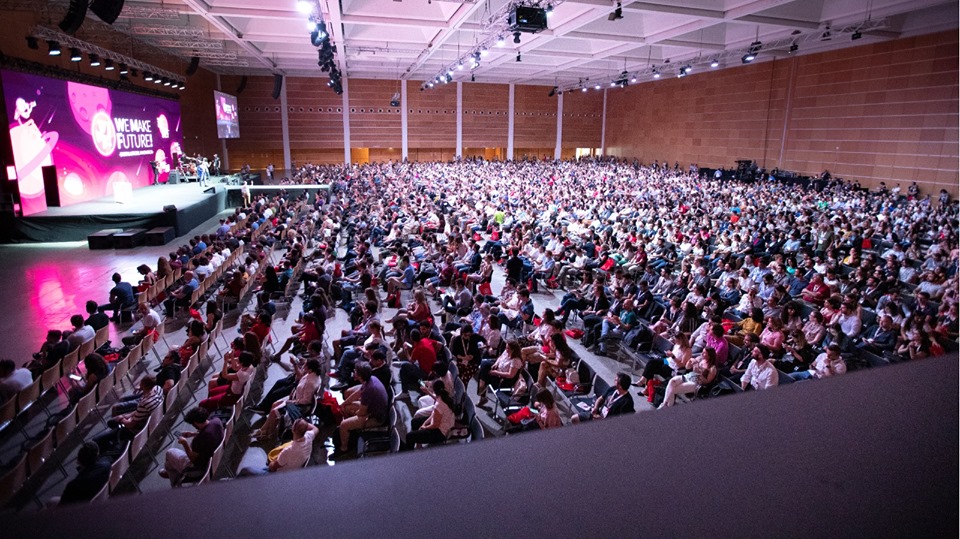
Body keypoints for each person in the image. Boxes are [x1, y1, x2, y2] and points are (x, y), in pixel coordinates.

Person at [92, 376, 163, 455]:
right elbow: (140, 412)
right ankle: (115, 438)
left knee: (96, 439)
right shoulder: (158, 389)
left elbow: (130, 425)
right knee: (112, 422)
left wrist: (121, 419)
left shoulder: (145, 403)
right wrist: (128, 416)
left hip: (134, 431)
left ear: (143, 385)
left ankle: (113, 445)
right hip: (147, 423)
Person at [332, 362, 388, 458]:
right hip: (373, 410)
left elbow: (361, 413)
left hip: (376, 418)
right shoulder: (371, 379)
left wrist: (355, 413)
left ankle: (344, 448)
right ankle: (351, 434)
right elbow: (358, 393)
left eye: (355, 371)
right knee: (347, 407)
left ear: (360, 375)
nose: (354, 372)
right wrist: (344, 404)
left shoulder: (369, 389)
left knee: (344, 425)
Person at [159, 407, 224, 486]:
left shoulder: (199, 440)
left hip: (199, 469)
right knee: (168, 465)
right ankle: (172, 471)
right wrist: (193, 434)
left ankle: (175, 483)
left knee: (169, 453)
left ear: (195, 422)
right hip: (215, 459)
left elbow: (192, 459)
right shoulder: (217, 421)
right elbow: (209, 432)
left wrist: (185, 443)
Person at [240, 419, 318, 476]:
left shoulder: (288, 451)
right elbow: (316, 429)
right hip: (294, 470)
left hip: (278, 476)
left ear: (293, 429)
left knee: (245, 470)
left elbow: (272, 468)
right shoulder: (309, 436)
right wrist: (303, 425)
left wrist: (275, 459)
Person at [405, 379, 455, 449]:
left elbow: (435, 425)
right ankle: (419, 443)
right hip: (437, 424)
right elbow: (433, 415)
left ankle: (410, 452)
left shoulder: (439, 404)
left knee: (409, 436)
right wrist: (424, 423)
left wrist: (424, 427)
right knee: (414, 422)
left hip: (440, 432)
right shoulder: (444, 397)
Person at [476, 340, 524, 407]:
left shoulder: (516, 361)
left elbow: (510, 375)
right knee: (484, 366)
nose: (506, 350)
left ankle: (482, 392)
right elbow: (500, 357)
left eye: (508, 349)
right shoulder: (507, 352)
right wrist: (496, 363)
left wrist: (496, 373)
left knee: (485, 374)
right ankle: (482, 390)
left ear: (513, 350)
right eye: (506, 348)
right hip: (498, 369)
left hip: (503, 379)